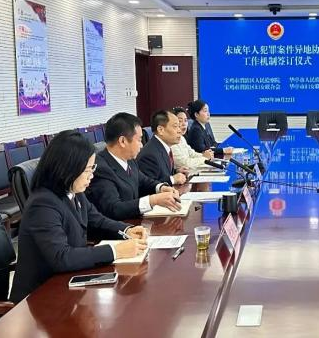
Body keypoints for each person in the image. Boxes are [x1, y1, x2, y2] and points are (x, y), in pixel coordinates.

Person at [10, 131, 148, 303]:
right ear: (68, 168)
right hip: (40, 298)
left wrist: (127, 230)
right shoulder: (43, 204)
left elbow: (97, 220)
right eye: (88, 169)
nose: (92, 175)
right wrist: (116, 251)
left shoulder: (73, 191)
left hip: (68, 284)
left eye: (92, 168)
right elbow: (61, 257)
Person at [86, 112, 182, 220]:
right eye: (139, 140)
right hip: (118, 227)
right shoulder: (101, 168)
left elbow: (143, 181)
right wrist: (153, 200)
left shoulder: (130, 160)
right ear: (123, 141)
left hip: (134, 222)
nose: (142, 145)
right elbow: (114, 208)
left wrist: (161, 188)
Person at [137, 110, 189, 185]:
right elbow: (147, 186)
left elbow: (162, 173)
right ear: (160, 130)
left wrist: (176, 172)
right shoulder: (149, 155)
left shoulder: (164, 147)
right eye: (175, 126)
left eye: (179, 126)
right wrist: (172, 179)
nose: (179, 131)